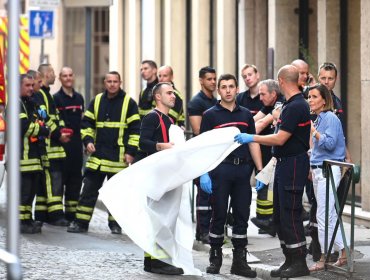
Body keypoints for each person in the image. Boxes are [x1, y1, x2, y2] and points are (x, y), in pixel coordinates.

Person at [234, 65, 311, 278]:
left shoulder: (296, 106)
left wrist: (252, 137)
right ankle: (289, 258)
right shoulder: (289, 105)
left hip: (293, 164)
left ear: (282, 81)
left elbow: (280, 138)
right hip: (285, 163)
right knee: (280, 214)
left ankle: (299, 262)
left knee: (290, 213)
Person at [200, 74, 262, 278]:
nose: (227, 90)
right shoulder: (210, 115)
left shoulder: (245, 115)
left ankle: (239, 261)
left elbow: (253, 142)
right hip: (220, 171)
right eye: (224, 87)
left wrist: (260, 171)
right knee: (218, 215)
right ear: (218, 90)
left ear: (237, 89)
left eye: (231, 86)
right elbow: (204, 147)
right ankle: (215, 257)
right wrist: (204, 174)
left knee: (242, 216)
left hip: (242, 172)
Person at [67, 71, 140, 234]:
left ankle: (116, 225)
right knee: (88, 191)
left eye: (115, 81)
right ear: (104, 83)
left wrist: (131, 152)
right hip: (98, 156)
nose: (112, 84)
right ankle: (81, 223)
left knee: (117, 195)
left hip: (118, 157)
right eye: (109, 81)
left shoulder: (129, 103)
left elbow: (135, 130)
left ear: (120, 82)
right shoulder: (97, 101)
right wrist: (88, 141)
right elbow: (86, 124)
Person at [136, 82, 184, 275]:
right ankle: (159, 262)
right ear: (158, 97)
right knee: (161, 218)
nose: (173, 96)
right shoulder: (152, 117)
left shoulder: (169, 119)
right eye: (169, 93)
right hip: (157, 176)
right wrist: (161, 146)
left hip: (166, 175)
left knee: (161, 217)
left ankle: (152, 261)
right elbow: (142, 142)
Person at [307, 84, 347, 271]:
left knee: (323, 216)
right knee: (328, 215)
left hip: (328, 171)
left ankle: (323, 257)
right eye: (309, 97)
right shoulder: (320, 119)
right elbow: (318, 148)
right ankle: (344, 252)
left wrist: (314, 132)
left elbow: (330, 144)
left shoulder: (329, 117)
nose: (311, 100)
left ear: (324, 99)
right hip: (319, 170)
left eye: (314, 96)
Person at [33, 63, 71, 226]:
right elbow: (44, 116)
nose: (55, 75)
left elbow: (56, 116)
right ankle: (56, 215)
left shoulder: (47, 95)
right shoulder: (41, 95)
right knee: (53, 181)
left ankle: (41, 214)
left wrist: (62, 129)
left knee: (46, 183)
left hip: (53, 146)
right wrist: (58, 134)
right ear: (47, 75)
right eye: (53, 72)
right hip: (49, 146)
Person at [250, 79, 284, 237]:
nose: (260, 97)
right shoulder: (269, 104)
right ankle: (270, 222)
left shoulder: (280, 104)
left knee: (274, 191)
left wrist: (243, 134)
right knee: (270, 191)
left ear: (273, 94)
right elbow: (255, 119)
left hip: (282, 155)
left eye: (263, 94)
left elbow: (260, 124)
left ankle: (273, 222)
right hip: (272, 155)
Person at [187, 66, 217, 244]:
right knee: (204, 195)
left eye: (214, 79)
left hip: (215, 153)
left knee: (214, 194)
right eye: (209, 79)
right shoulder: (196, 102)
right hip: (202, 153)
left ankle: (210, 230)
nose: (212, 82)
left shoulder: (215, 101)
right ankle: (202, 231)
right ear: (201, 80)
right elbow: (198, 130)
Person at [19, 73, 50, 234]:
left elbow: (38, 122)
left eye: (32, 85)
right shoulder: (16, 104)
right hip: (23, 157)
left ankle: (27, 219)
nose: (31, 89)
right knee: (24, 193)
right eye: (28, 86)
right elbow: (24, 127)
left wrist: (42, 126)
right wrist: (43, 130)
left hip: (33, 157)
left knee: (30, 192)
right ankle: (21, 222)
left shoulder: (29, 103)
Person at [53, 67, 84, 222]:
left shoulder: (79, 98)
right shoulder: (56, 99)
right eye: (65, 76)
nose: (68, 78)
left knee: (75, 180)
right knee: (61, 180)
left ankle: (71, 214)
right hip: (62, 145)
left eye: (70, 75)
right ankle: (59, 215)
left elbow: (83, 121)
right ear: (60, 78)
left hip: (77, 145)